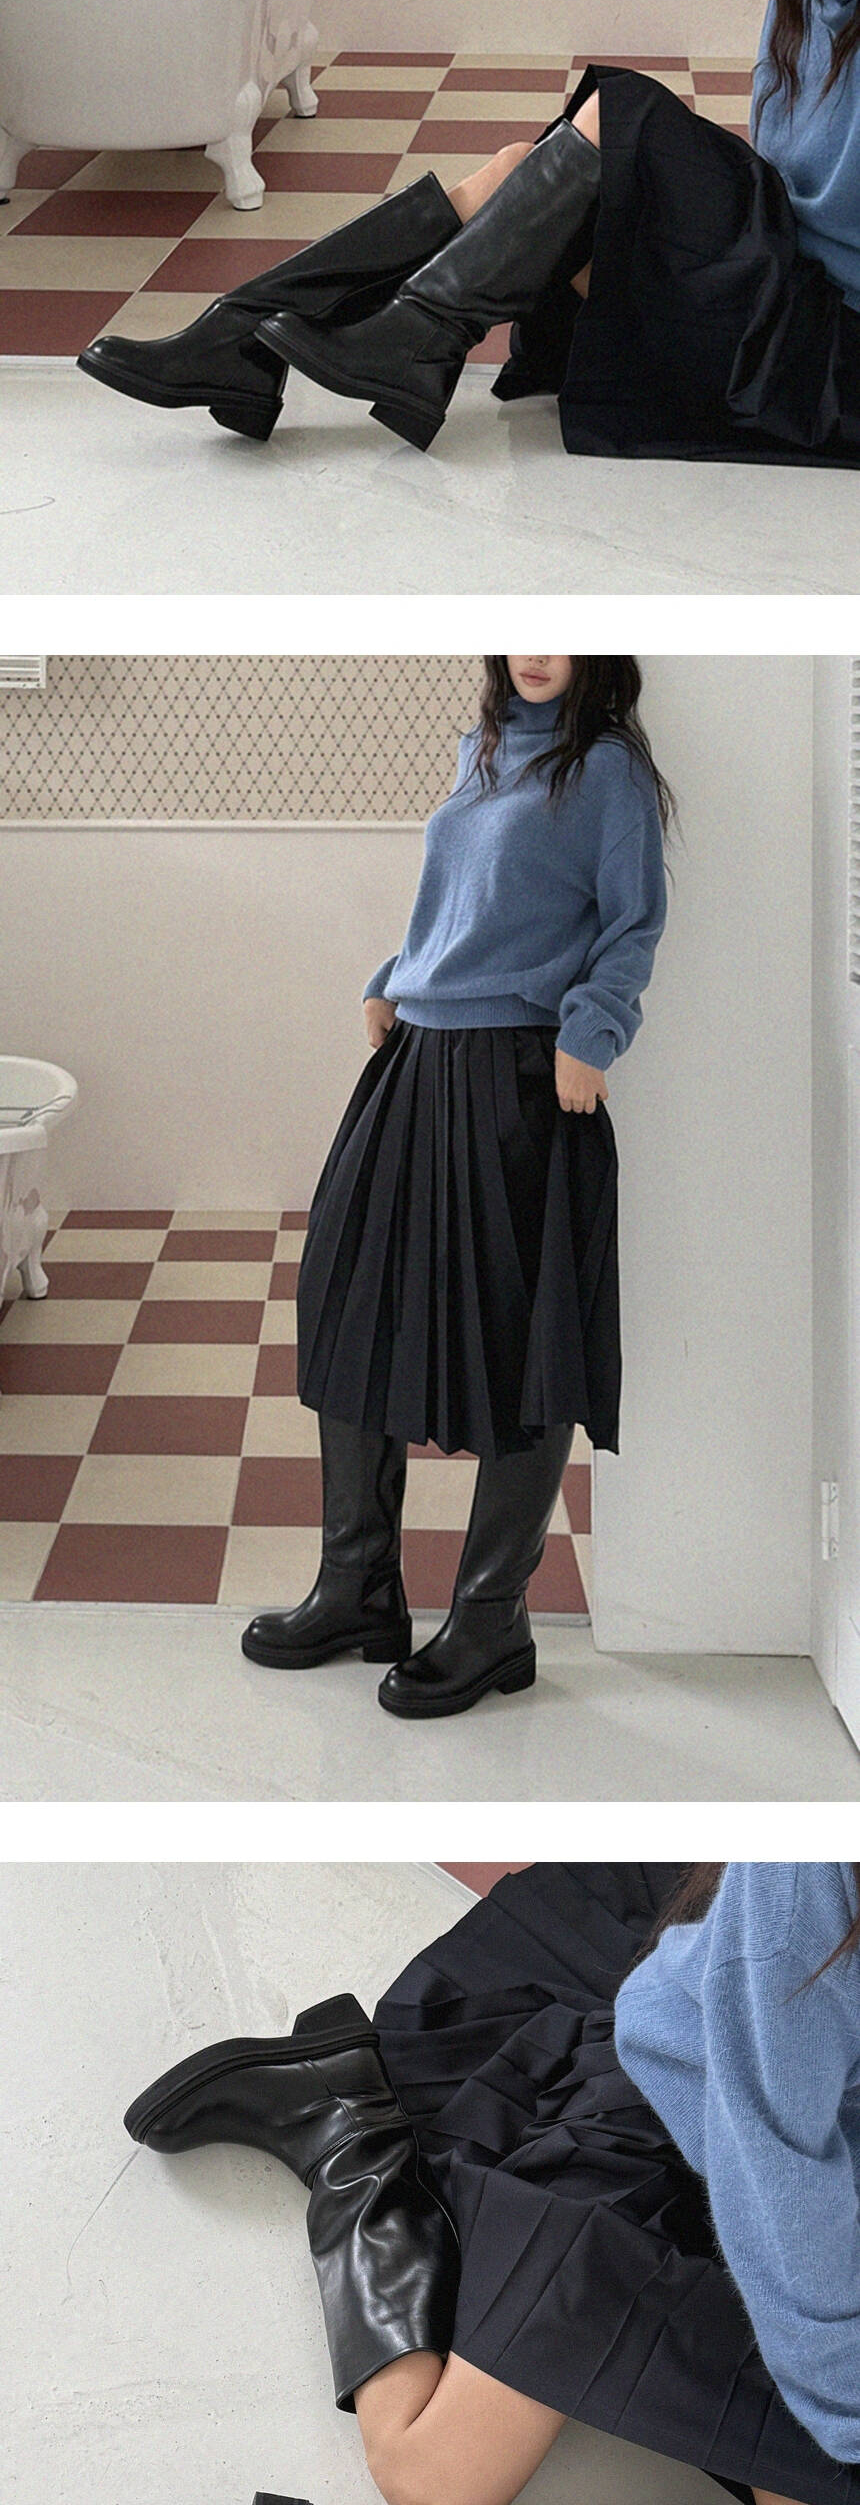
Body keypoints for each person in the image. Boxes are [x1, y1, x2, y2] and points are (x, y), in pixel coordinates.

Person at [123, 1862, 860, 2505]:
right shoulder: (809, 1874)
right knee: (437, 2475)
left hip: (808, 2199)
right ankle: (346, 2130)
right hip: (679, 2115)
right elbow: (772, 2148)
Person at [78, 0, 860, 468]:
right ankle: (245, 336)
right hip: (777, 275)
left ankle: (405, 337)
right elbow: (781, 177)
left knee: (630, 113)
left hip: (826, 344)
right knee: (525, 163)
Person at [240, 646, 669, 1716]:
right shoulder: (477, 750)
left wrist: (593, 1030)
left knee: (524, 1340)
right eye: (516, 629)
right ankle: (357, 1587)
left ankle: (489, 1619)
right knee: (347, 1301)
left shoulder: (607, 769)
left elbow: (632, 923)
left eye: (557, 631)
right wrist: (395, 975)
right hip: (417, 1057)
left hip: (523, 1070)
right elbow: (460, 901)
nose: (535, 651)